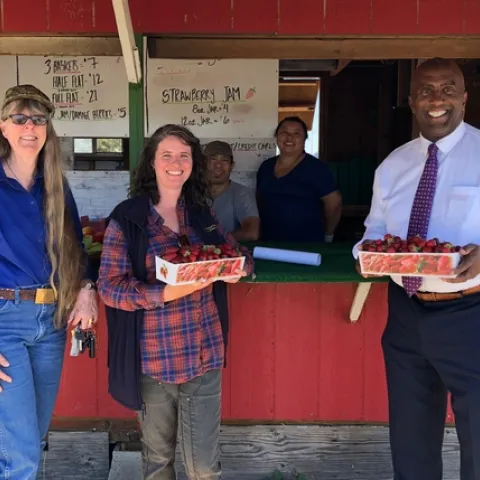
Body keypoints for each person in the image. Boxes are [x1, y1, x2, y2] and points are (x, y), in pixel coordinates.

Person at [97, 124, 253, 480]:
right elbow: (110, 288)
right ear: (151, 163)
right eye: (166, 155)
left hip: (204, 351)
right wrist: (165, 293)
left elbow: (237, 253)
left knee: (203, 468)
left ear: (192, 163)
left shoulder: (201, 213)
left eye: (183, 155)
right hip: (154, 359)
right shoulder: (128, 218)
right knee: (158, 462)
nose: (175, 162)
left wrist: (235, 268)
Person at [353, 58, 480, 480]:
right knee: (410, 443)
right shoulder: (392, 166)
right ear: (412, 101)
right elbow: (374, 232)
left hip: (472, 314)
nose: (437, 99)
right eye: (426, 90)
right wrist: (367, 256)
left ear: (464, 97)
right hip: (405, 313)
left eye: (448, 88)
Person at [0, 84, 98, 479]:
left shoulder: (54, 185)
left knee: (29, 438)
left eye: (38, 119)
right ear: (3, 127)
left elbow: (75, 247)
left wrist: (87, 290)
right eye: (19, 118)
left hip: (51, 321)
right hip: (5, 321)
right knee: (20, 451)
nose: (29, 126)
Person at [256, 116, 342, 243]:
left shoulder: (316, 168)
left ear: (304, 139)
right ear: (277, 137)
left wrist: (328, 235)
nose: (289, 138)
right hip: (269, 242)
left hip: (306, 244)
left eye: (296, 133)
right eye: (284, 133)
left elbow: (334, 203)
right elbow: (259, 199)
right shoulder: (266, 167)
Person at [204, 140, 260, 241]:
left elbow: (251, 233)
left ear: (232, 165)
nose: (218, 166)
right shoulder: (193, 193)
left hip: (229, 254)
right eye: (213, 159)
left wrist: (213, 240)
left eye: (224, 160)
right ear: (203, 163)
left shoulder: (242, 193)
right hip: (195, 254)